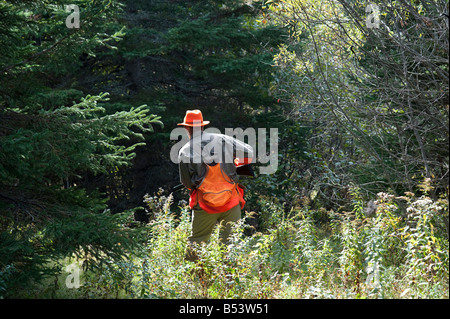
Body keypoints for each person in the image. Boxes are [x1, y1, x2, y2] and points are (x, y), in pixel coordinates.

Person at [177, 109, 253, 261]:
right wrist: (236, 167)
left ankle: (194, 281)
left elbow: (186, 183)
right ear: (203, 125)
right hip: (231, 202)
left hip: (204, 206)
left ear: (186, 128)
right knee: (230, 245)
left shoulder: (185, 151)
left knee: (196, 244)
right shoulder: (223, 139)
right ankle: (230, 281)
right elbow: (249, 152)